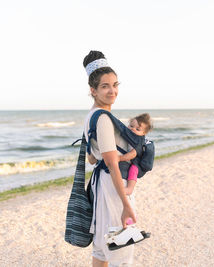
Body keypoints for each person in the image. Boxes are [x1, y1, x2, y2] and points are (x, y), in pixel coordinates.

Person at [83, 50, 136, 267]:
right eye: (105, 86)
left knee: (102, 249)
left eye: (115, 84)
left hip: (101, 187)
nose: (112, 90)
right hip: (114, 189)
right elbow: (112, 164)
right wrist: (125, 204)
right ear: (93, 90)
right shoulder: (103, 118)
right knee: (121, 250)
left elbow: (92, 160)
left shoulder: (91, 115)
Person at [88, 113, 153, 196]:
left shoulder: (138, 140)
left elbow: (133, 154)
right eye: (131, 126)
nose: (133, 129)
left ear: (144, 133)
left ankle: (129, 189)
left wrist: (119, 158)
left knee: (133, 170)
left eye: (137, 129)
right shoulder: (129, 136)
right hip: (128, 160)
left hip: (136, 162)